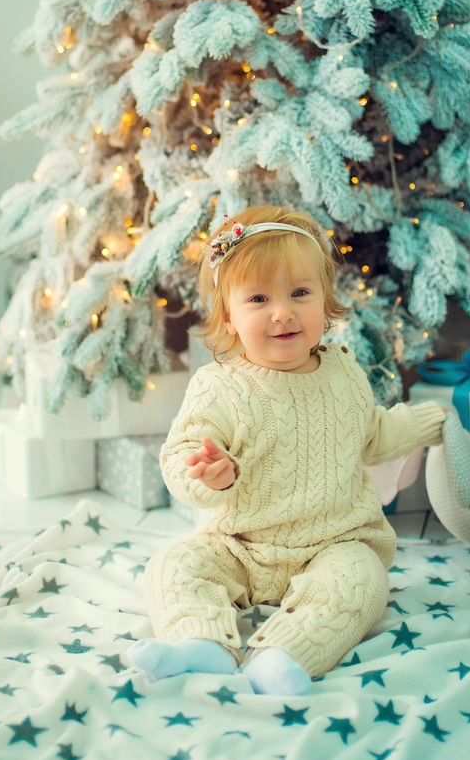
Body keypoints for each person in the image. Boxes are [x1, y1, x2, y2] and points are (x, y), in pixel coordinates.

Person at [128, 205, 445, 695]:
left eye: (300, 293)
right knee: (172, 566)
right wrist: (208, 473)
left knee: (362, 582)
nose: (283, 312)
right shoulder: (220, 387)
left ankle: (283, 656)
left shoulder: (343, 370)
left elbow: (371, 434)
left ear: (325, 300)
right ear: (230, 318)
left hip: (333, 542)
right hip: (238, 545)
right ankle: (203, 645)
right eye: (258, 298)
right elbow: (182, 453)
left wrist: (423, 421)